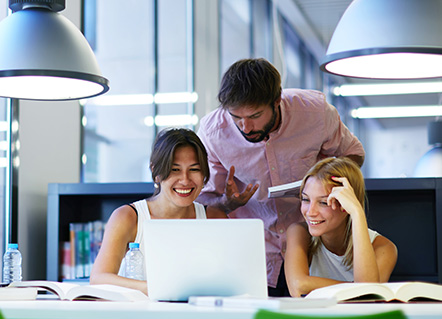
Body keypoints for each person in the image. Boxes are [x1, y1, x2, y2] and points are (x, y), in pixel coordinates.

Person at [197, 58, 365, 296]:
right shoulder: (212, 132)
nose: (245, 127)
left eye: (255, 115)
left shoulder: (314, 112)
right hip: (253, 256)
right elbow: (202, 202)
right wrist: (227, 203)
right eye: (236, 117)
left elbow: (353, 155)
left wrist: (323, 181)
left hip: (316, 249)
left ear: (277, 101)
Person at [90, 128, 226, 294]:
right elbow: (99, 279)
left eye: (194, 169)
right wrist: (154, 288)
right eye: (175, 169)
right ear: (156, 173)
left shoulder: (215, 219)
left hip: (199, 317)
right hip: (142, 315)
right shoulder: (128, 217)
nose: (185, 180)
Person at [284, 157, 398, 297]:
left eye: (324, 203)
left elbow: (367, 296)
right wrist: (356, 288)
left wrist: (357, 213)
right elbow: (298, 286)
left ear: (347, 204)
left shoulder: (384, 248)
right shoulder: (299, 232)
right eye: (306, 199)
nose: (310, 212)